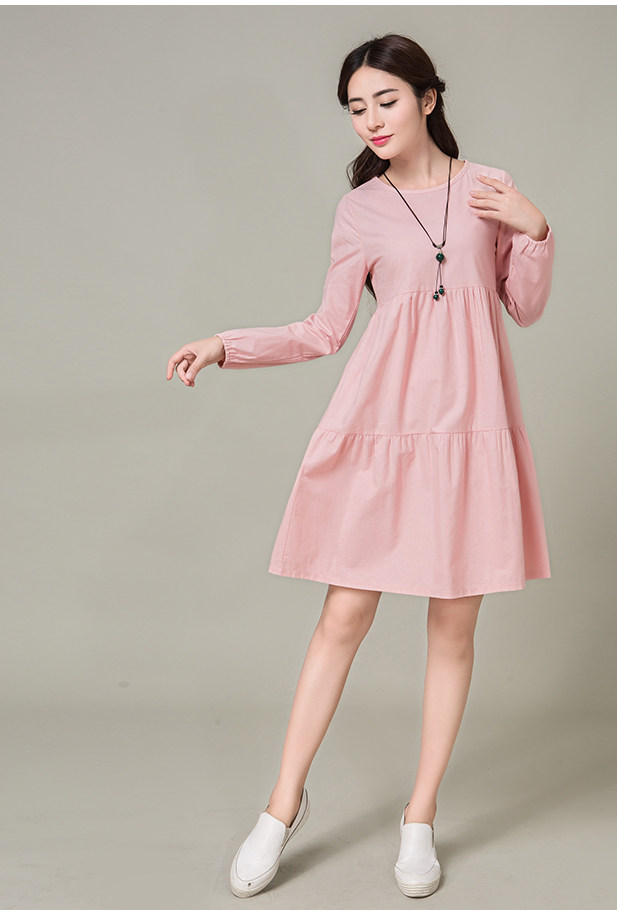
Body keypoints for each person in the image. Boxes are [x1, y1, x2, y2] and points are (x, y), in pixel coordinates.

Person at [166, 32, 555, 900]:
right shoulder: (363, 211)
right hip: (385, 429)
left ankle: (419, 819)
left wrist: (534, 229)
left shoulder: (489, 188)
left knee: (453, 628)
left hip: (471, 432)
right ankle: (282, 806)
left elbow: (522, 308)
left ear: (427, 97)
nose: (371, 120)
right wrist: (226, 344)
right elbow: (325, 330)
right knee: (344, 615)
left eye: (386, 100)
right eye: (355, 108)